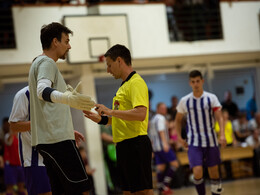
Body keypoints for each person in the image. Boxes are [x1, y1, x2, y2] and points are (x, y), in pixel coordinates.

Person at [28, 22, 95, 195]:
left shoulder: (37, 64)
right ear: (55, 41)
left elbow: (47, 107)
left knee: (62, 191)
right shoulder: (47, 63)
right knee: (82, 189)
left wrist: (67, 129)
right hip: (57, 140)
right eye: (66, 41)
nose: (69, 45)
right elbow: (42, 91)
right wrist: (68, 99)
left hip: (49, 139)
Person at [84, 44, 153, 195]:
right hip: (123, 146)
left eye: (109, 65)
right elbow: (121, 118)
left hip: (136, 144)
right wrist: (102, 119)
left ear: (120, 61)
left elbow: (141, 114)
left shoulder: (136, 82)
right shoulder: (123, 87)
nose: (108, 70)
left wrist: (110, 112)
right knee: (127, 192)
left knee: (142, 192)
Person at [175, 70, 226, 195]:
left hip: (211, 140)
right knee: (197, 172)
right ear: (189, 83)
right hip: (194, 142)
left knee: (214, 172)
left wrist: (223, 134)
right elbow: (177, 121)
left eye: (198, 81)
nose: (196, 84)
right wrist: (179, 138)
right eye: (193, 82)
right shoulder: (184, 100)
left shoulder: (211, 98)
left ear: (202, 81)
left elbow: (219, 117)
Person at [8, 86, 51, 195]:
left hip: (54, 157)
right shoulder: (24, 94)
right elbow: (14, 126)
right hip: (34, 159)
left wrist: (68, 132)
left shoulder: (54, 93)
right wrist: (38, 122)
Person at [149, 102, 179, 195]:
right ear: (158, 109)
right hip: (162, 146)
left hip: (156, 147)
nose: (164, 110)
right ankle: (165, 186)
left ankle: (159, 189)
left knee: (160, 168)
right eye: (162, 108)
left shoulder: (153, 119)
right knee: (175, 164)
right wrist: (165, 143)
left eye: (165, 108)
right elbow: (161, 131)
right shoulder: (161, 118)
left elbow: (151, 134)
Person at [3, 118, 26, 195]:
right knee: (10, 189)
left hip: (19, 164)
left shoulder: (20, 137)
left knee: (21, 188)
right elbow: (8, 142)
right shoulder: (8, 136)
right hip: (10, 165)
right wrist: (12, 131)